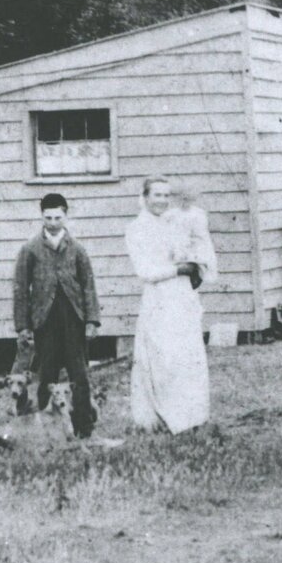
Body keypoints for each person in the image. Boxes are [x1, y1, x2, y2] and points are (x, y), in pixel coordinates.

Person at [125, 175, 216, 433]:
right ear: (144, 198)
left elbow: (194, 251)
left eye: (167, 195)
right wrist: (179, 270)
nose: (163, 201)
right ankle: (163, 419)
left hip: (182, 298)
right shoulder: (137, 228)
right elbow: (145, 271)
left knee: (187, 356)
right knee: (163, 358)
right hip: (159, 299)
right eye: (157, 195)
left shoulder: (174, 223)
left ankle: (190, 418)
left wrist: (196, 269)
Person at [11, 193, 102, 439]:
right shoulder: (30, 249)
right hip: (45, 322)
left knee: (79, 376)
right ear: (41, 217)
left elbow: (88, 286)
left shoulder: (77, 249)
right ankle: (44, 429)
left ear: (66, 216)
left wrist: (91, 320)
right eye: (48, 217)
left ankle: (83, 427)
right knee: (46, 375)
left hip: (73, 320)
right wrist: (23, 326)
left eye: (57, 217)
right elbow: (20, 288)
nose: (53, 222)